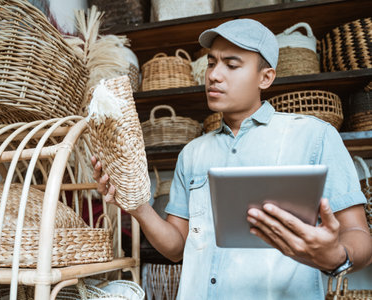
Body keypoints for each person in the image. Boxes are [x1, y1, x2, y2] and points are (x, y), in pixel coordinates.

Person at [92, 18, 372, 299]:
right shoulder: (192, 153)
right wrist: (137, 206)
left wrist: (336, 256)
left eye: (232, 64)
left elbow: (360, 236)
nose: (214, 75)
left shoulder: (315, 136)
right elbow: (177, 248)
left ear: (266, 77)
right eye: (212, 63)